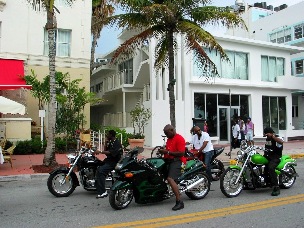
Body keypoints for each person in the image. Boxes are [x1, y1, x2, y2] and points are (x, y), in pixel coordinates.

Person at [158, 124, 186, 211]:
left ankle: (179, 201)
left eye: (166, 133)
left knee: (170, 179)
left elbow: (181, 153)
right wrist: (163, 151)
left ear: (171, 130)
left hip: (178, 161)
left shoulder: (179, 138)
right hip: (170, 160)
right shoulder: (169, 139)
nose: (166, 135)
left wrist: (168, 152)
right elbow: (169, 150)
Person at [95, 130, 122, 198]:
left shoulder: (117, 143)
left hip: (114, 162)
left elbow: (110, 152)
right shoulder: (111, 142)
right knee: (96, 165)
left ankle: (103, 192)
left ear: (111, 135)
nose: (107, 135)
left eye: (108, 134)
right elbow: (106, 150)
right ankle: (97, 185)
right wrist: (105, 143)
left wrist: (100, 151)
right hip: (108, 160)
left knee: (101, 171)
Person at [263, 127, 284, 196]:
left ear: (271, 133)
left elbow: (281, 142)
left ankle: (276, 187)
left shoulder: (277, 137)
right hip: (268, 157)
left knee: (271, 168)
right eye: (265, 134)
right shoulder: (267, 139)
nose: (266, 135)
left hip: (276, 158)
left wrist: (272, 136)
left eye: (267, 134)